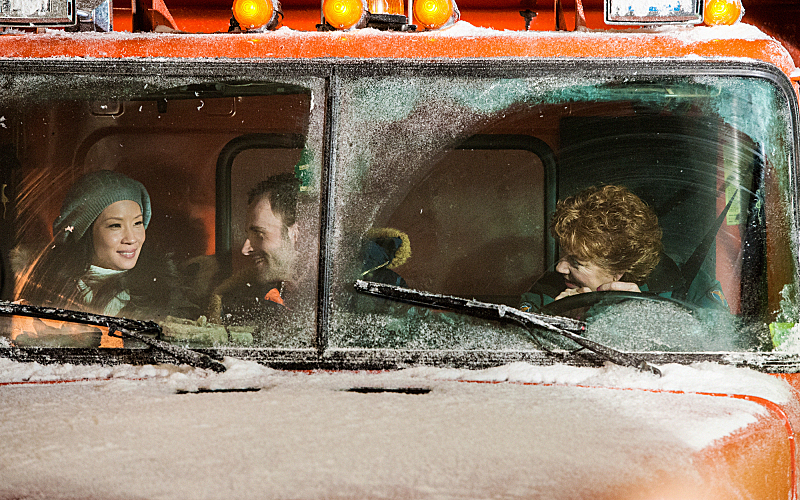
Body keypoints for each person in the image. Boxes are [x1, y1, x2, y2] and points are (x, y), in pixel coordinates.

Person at [520, 184, 729, 313]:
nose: (560, 268)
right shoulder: (548, 290)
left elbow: (722, 340)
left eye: (576, 262)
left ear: (618, 272)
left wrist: (645, 318)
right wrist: (554, 320)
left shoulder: (689, 285)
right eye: (562, 254)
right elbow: (515, 340)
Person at [17, 170, 193, 321]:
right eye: (115, 225)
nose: (131, 238)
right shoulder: (38, 285)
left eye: (138, 223)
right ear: (85, 232)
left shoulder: (166, 293)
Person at [207, 173, 301, 325]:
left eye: (259, 234)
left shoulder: (328, 297)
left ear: (294, 234)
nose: (245, 249)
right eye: (249, 235)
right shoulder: (249, 289)